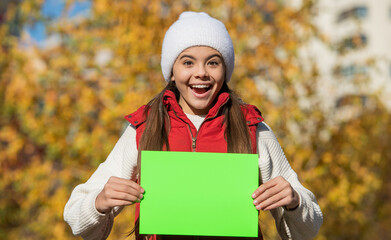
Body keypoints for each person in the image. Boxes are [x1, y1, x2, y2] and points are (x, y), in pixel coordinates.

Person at [64, 11, 323, 240]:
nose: (201, 72)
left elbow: (306, 231)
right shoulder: (143, 128)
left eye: (213, 62)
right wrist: (100, 203)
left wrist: (294, 201)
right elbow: (79, 222)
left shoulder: (253, 128)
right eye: (188, 62)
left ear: (225, 69)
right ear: (172, 72)